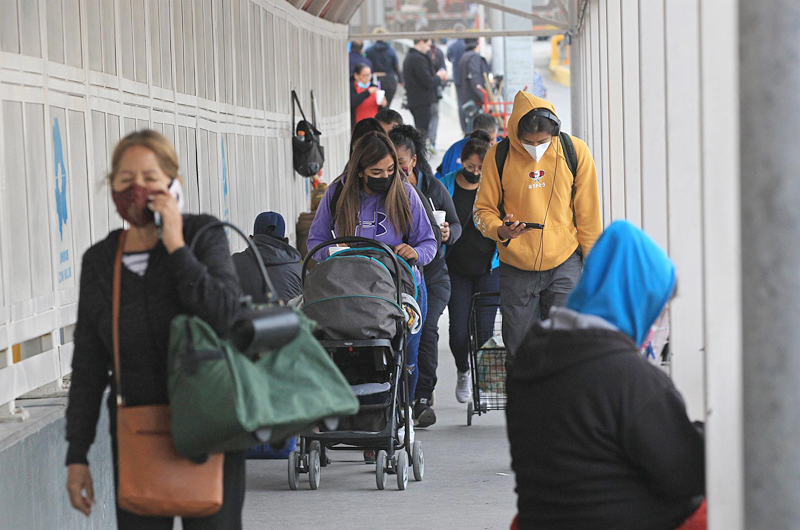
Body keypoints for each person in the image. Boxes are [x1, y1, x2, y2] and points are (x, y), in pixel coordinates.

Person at [65, 130, 245, 529]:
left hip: (211, 426)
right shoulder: (100, 262)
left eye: (150, 178)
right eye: (125, 181)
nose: (138, 190)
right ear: (110, 187)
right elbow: (89, 366)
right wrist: (77, 455)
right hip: (138, 433)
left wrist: (177, 246)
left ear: (173, 183)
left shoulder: (203, 235)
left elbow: (225, 313)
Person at [506, 220, 706, 530]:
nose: (659, 322)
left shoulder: (534, 356)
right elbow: (685, 477)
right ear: (638, 300)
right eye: (660, 308)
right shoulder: (630, 379)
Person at [307, 132, 437, 407]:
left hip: (397, 288)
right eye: (376, 172)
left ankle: (401, 414)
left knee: (405, 358)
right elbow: (315, 241)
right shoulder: (337, 193)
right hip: (348, 288)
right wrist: (332, 250)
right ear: (360, 171)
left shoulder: (405, 193)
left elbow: (428, 243)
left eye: (391, 170)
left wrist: (415, 252)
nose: (386, 177)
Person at [474, 90, 602, 359]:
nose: (535, 147)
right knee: (520, 350)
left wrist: (594, 268)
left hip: (565, 261)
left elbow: (588, 215)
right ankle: (527, 400)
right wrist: (500, 229)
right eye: (527, 142)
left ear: (553, 133)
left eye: (542, 141)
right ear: (514, 133)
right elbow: (482, 210)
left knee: (568, 347)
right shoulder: (497, 157)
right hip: (516, 267)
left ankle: (564, 400)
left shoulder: (575, 151)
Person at [389, 125, 462, 428]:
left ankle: (421, 398)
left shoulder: (432, 189)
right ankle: (393, 398)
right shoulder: (380, 192)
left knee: (426, 329)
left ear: (414, 161)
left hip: (431, 276)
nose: (395, 168)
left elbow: (456, 226)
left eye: (401, 162)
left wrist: (447, 233)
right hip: (391, 279)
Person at [438, 137, 499, 403]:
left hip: (489, 268)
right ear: (460, 161)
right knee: (459, 332)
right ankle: (464, 371)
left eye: (480, 168)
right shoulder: (445, 185)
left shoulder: (495, 186)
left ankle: (482, 383)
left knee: (485, 332)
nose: (474, 172)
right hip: (456, 269)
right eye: (470, 165)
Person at [232, 211, 302, 304]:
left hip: (246, 318)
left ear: (251, 239)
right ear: (286, 241)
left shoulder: (233, 263)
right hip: (288, 318)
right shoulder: (300, 271)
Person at [402, 39, 448, 142]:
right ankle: (421, 155)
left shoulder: (410, 57)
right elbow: (428, 81)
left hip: (415, 100)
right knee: (422, 133)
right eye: (428, 45)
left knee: (421, 131)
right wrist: (439, 76)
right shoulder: (418, 59)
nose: (428, 49)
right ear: (421, 42)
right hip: (422, 101)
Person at [435, 113, 498, 179]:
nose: (488, 145)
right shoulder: (455, 152)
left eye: (492, 140)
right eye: (470, 166)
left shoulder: (504, 150)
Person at [456, 38, 491, 134]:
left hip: (466, 99)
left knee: (470, 129)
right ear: (478, 43)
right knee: (475, 129)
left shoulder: (463, 58)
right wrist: (484, 98)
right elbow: (475, 80)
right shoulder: (474, 58)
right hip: (475, 101)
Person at [365, 28, 402, 108]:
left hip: (375, 80)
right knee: (386, 106)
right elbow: (396, 66)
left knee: (376, 106)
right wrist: (401, 80)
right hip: (389, 80)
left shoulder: (368, 51)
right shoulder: (391, 50)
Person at [350, 64, 386, 129]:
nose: (367, 78)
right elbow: (352, 102)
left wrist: (384, 104)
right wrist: (368, 92)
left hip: (374, 124)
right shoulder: (352, 87)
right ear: (356, 76)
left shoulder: (374, 86)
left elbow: (381, 108)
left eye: (369, 75)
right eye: (364, 76)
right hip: (358, 125)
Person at [427, 41, 447, 154]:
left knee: (425, 118)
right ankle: (432, 142)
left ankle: (425, 142)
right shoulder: (438, 52)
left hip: (422, 94)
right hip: (435, 92)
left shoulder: (421, 55)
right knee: (434, 116)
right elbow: (444, 71)